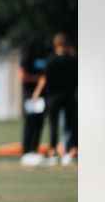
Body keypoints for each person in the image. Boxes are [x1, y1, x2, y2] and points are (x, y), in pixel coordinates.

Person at [32, 33, 77, 165]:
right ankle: (72, 150)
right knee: (70, 124)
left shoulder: (51, 60)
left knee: (55, 125)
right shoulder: (71, 59)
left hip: (54, 97)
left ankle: (53, 151)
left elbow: (44, 79)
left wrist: (37, 92)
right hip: (68, 96)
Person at [18, 34, 49, 163]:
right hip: (29, 94)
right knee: (30, 122)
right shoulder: (27, 56)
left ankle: (34, 149)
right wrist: (39, 79)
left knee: (39, 122)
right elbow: (23, 76)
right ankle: (26, 150)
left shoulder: (45, 56)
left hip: (42, 94)